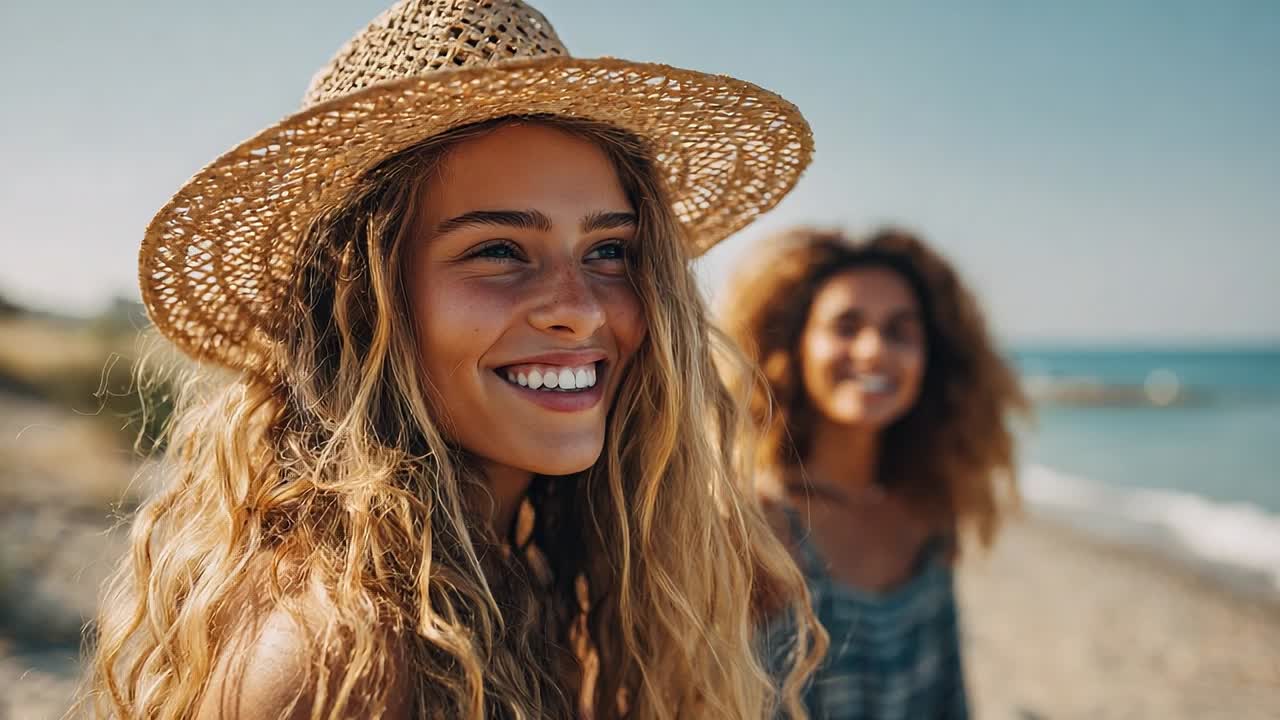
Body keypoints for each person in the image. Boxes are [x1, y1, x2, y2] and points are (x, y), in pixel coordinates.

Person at [85, 2, 824, 718]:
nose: (581, 307)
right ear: (359, 302)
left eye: (609, 251)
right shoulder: (336, 658)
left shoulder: (534, 582)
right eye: (498, 250)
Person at [723, 227, 1029, 719]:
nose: (873, 350)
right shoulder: (758, 529)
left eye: (899, 331)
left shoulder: (931, 512)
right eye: (846, 325)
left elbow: (947, 695)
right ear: (796, 345)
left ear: (931, 359)